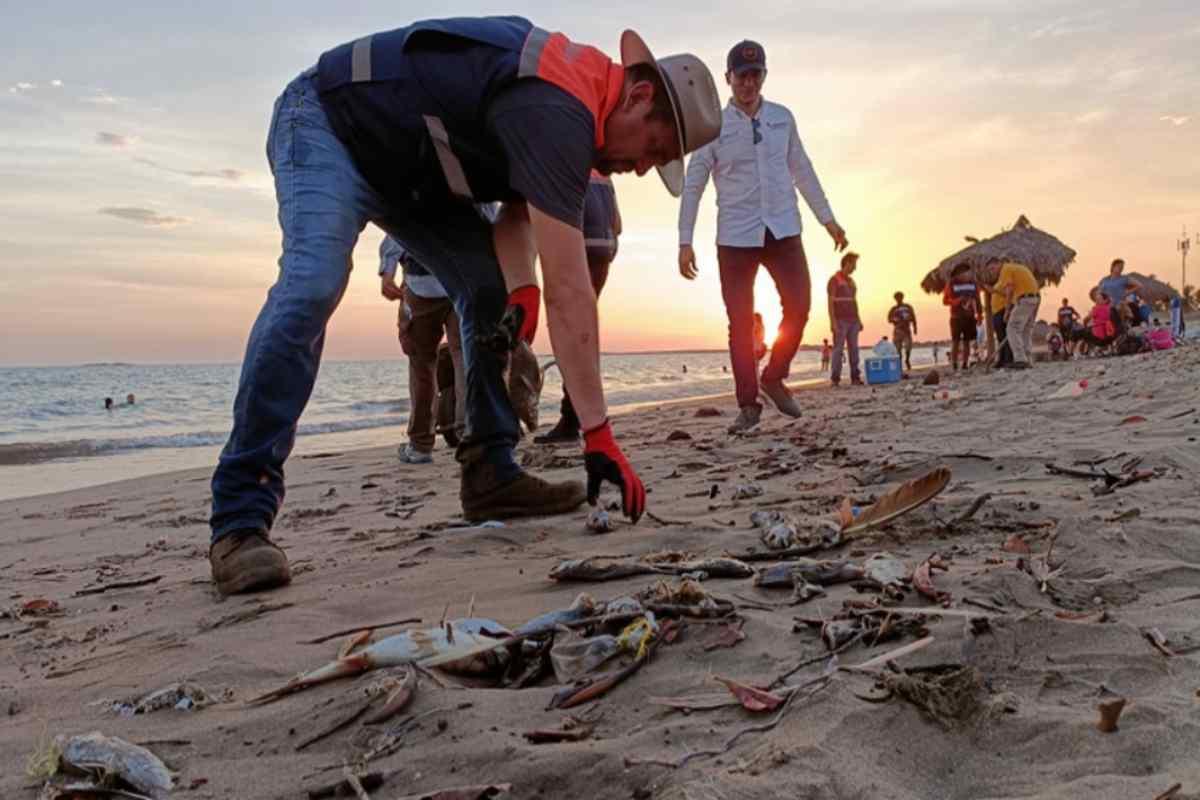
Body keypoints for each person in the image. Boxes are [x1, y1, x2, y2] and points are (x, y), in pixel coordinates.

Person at [206, 16, 723, 596]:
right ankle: (240, 520)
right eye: (654, 148)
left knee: (488, 291)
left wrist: (519, 291)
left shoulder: (571, 114)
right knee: (312, 283)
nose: (643, 168)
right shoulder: (560, 103)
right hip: (328, 125)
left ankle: (490, 472)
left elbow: (515, 215)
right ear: (639, 94)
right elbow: (571, 289)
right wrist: (598, 435)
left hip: (413, 178)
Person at [678, 39, 847, 433]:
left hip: (783, 228)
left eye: (756, 75)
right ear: (728, 78)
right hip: (735, 236)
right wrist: (685, 240)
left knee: (800, 306)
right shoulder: (712, 129)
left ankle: (774, 375)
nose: (748, 83)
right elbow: (693, 185)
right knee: (740, 322)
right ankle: (748, 404)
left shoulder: (782, 119)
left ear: (764, 76)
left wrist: (828, 219)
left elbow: (802, 169)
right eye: (742, 75)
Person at [535, 172, 622, 444]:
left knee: (571, 332)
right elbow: (617, 224)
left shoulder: (565, 161)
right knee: (584, 331)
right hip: (603, 249)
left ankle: (573, 419)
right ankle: (585, 414)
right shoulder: (604, 171)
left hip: (579, 246)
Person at [380, 236, 466, 463]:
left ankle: (420, 445)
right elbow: (490, 215)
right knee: (466, 357)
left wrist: (387, 271)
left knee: (422, 364)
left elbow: (397, 223)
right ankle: (471, 434)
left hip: (422, 283)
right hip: (463, 276)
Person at [989, 259, 1039, 369]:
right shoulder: (1016, 267)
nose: (992, 272)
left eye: (993, 268)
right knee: (1026, 329)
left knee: (1012, 328)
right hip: (1034, 298)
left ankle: (1020, 359)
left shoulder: (1005, 269)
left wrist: (1007, 311)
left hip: (1025, 299)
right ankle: (1027, 359)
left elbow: (1009, 290)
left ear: (999, 263)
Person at [827, 252, 863, 386]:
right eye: (854, 264)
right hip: (840, 320)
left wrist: (859, 320)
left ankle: (855, 377)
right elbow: (830, 302)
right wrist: (833, 322)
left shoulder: (852, 282)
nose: (855, 268)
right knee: (838, 349)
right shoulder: (834, 280)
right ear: (847, 263)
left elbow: (854, 301)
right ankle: (835, 379)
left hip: (853, 320)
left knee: (854, 349)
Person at [942, 262, 982, 371]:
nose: (966, 275)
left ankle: (965, 363)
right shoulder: (951, 284)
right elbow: (945, 301)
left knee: (967, 341)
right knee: (955, 341)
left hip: (970, 316)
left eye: (968, 272)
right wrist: (956, 301)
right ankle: (954, 364)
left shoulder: (974, 284)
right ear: (958, 274)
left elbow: (978, 300)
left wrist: (980, 315)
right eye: (963, 273)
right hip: (956, 317)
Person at [1096, 259, 1142, 333]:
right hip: (1106, 306)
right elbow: (1098, 293)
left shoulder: (1124, 278)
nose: (1121, 268)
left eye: (1122, 267)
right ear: (1113, 267)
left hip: (1118, 306)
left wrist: (1127, 292)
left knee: (1119, 324)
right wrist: (1100, 301)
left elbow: (1139, 285)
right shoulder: (1105, 280)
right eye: (1119, 266)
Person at [886, 292, 917, 373]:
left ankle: (907, 359)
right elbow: (888, 319)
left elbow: (913, 317)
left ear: (902, 297)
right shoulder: (893, 309)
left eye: (900, 297)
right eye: (897, 298)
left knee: (908, 347)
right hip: (897, 330)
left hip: (906, 330)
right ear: (895, 299)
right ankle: (899, 366)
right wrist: (894, 320)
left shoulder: (908, 307)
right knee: (898, 350)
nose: (898, 299)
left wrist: (915, 327)